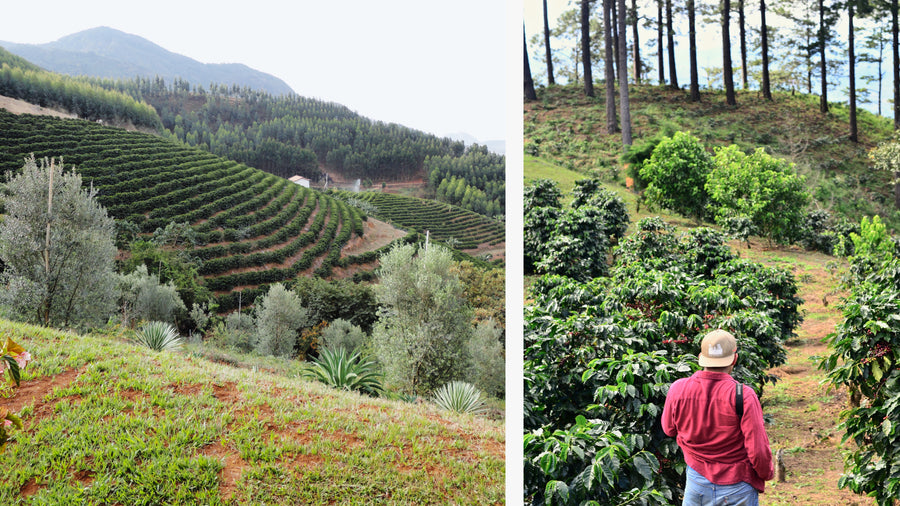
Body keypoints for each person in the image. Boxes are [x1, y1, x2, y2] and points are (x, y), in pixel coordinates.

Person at [662, 329, 774, 506]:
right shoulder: (743, 395)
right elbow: (758, 450)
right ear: (734, 359)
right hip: (738, 486)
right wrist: (766, 473)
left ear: (701, 357)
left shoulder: (678, 389)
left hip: (696, 483)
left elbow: (668, 429)